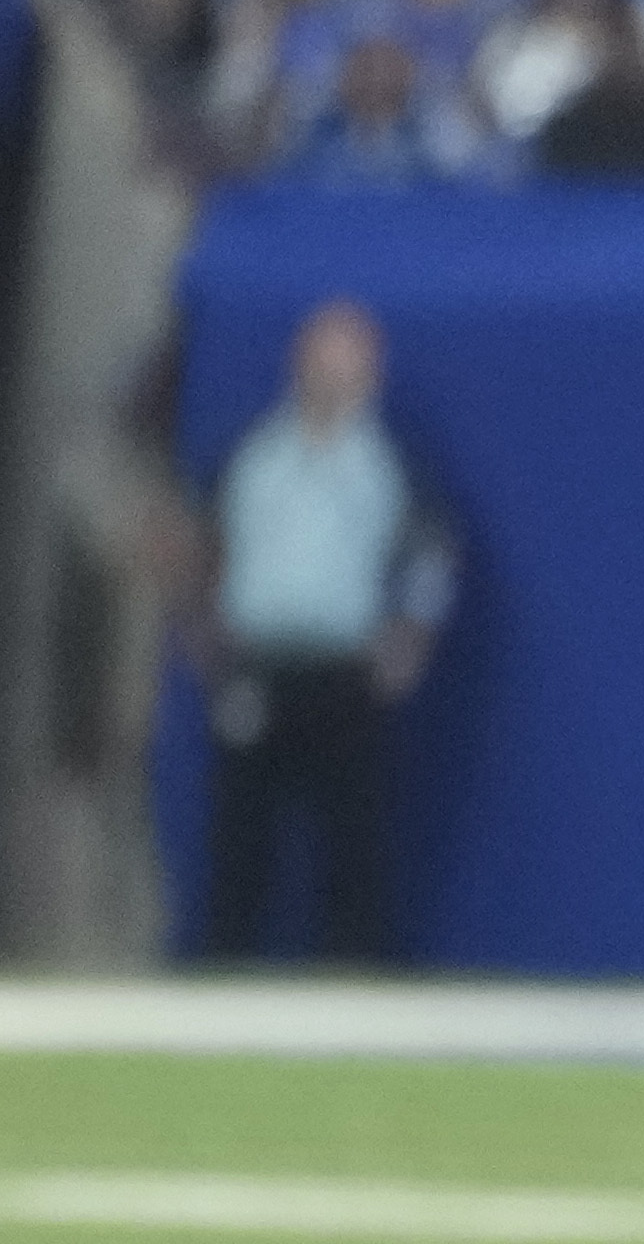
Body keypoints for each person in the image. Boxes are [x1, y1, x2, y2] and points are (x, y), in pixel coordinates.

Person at [185, 299, 454, 964]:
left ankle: (354, 971)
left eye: (349, 364)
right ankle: (226, 970)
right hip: (257, 667)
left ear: (371, 375)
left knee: (354, 832)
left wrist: (410, 639)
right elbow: (200, 544)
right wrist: (200, 632)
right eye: (322, 360)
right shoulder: (253, 455)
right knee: (240, 833)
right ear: (298, 363)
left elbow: (430, 555)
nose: (333, 376)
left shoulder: (390, 467)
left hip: (343, 672)